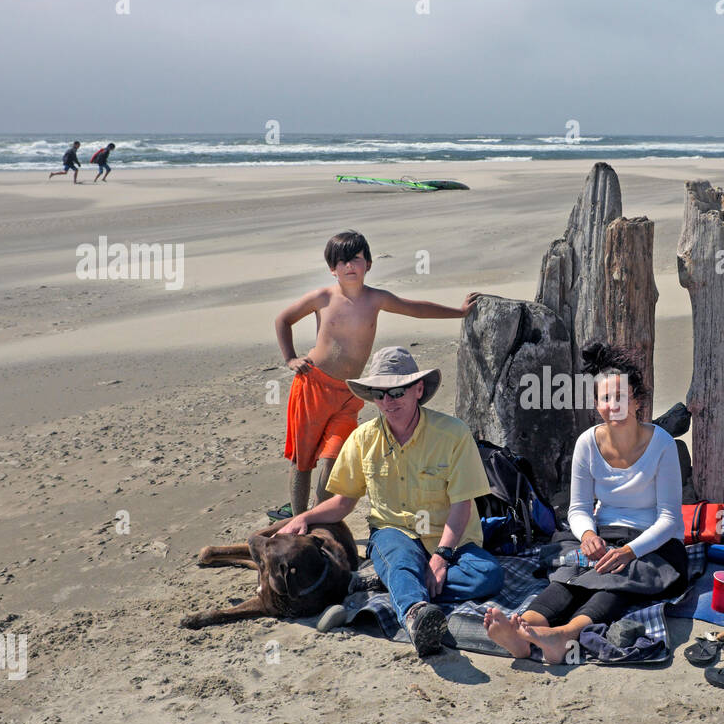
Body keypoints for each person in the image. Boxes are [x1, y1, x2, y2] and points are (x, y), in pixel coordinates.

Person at [279, 347, 504, 656]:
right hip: (394, 532)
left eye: (396, 392)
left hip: (451, 539)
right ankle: (415, 616)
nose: (387, 402)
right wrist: (305, 517)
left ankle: (390, 584)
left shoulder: (453, 434)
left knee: (488, 575)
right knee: (399, 559)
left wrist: (440, 556)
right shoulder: (361, 438)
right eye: (379, 394)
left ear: (418, 389)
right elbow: (345, 501)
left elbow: (461, 506)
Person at [485, 343, 686, 662]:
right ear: (596, 404)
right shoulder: (587, 443)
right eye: (606, 398)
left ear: (636, 400)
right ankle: (526, 628)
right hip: (605, 532)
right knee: (573, 571)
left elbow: (669, 519)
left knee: (618, 578)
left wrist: (629, 551)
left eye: (621, 397)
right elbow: (578, 509)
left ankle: (564, 635)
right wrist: (589, 536)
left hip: (653, 543)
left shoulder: (661, 444)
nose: (614, 405)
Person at [272, 230, 480, 521]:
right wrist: (290, 358)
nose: (349, 266)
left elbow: (415, 309)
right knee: (303, 461)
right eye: (341, 262)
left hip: (348, 393)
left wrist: (458, 313)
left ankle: (318, 521)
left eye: (355, 260)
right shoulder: (322, 297)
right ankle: (297, 521)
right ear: (332, 269)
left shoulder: (376, 299)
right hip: (313, 385)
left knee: (333, 459)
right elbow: (283, 319)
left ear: (368, 263)